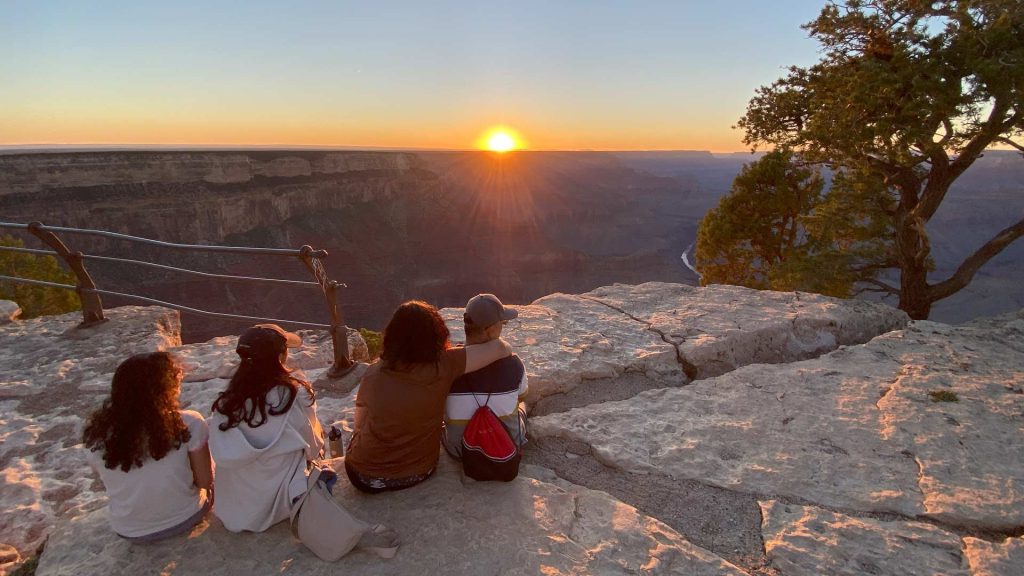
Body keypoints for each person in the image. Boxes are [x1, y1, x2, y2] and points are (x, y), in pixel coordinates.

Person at [344, 300, 512, 493]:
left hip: (363, 477)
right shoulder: (445, 364)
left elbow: (359, 424)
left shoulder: (374, 372)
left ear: (391, 337)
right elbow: (502, 348)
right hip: (417, 473)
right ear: (437, 333)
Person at [83, 352, 214, 542]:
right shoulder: (188, 422)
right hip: (185, 518)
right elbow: (205, 482)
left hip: (129, 530)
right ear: (166, 389)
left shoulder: (96, 434)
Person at [207, 324, 325, 533]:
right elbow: (313, 445)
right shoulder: (293, 395)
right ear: (280, 357)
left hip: (234, 509)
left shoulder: (227, 404)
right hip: (278, 503)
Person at [442, 294, 527, 459]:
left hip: (460, 452)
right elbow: (522, 394)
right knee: (522, 403)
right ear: (490, 330)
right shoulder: (514, 364)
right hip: (506, 449)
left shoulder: (449, 366)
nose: (503, 327)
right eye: (502, 323)